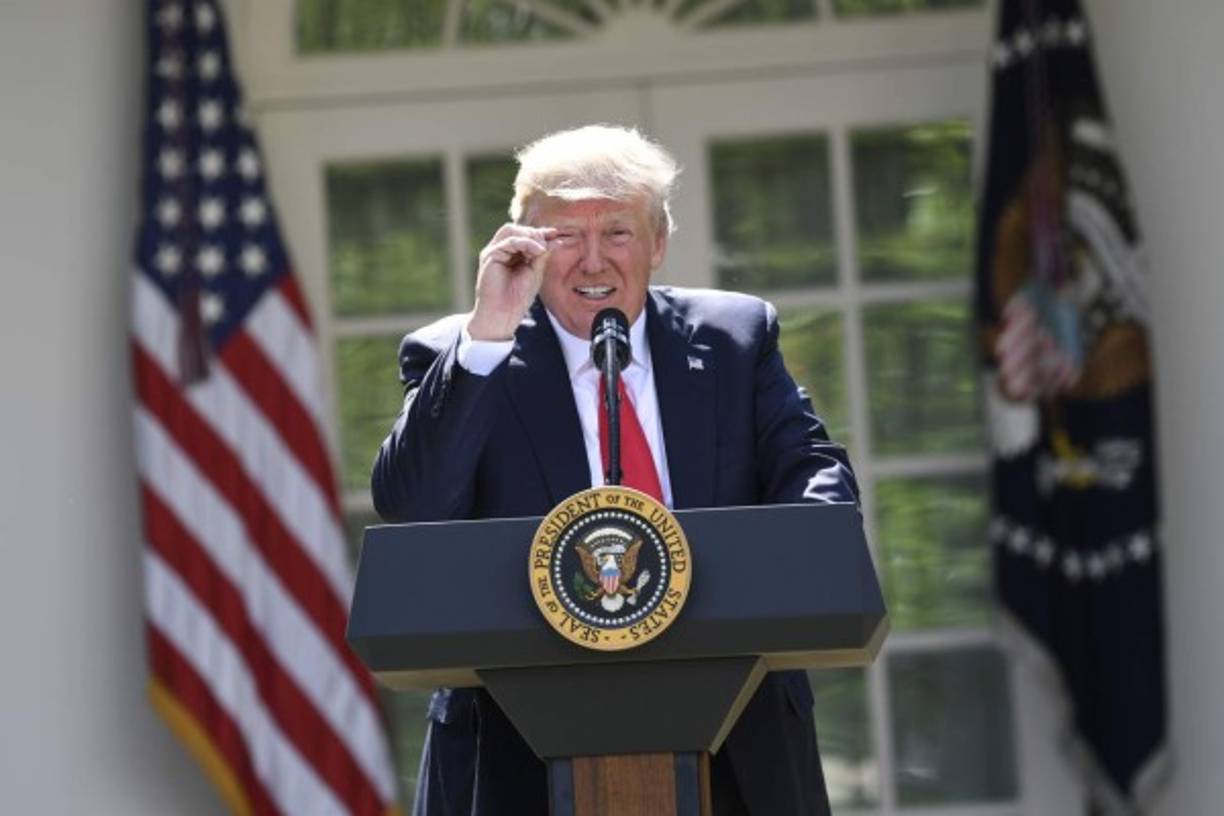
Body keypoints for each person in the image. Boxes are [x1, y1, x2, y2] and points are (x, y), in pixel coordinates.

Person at [372, 124, 859, 816]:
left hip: (737, 743)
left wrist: (800, 554)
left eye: (619, 234)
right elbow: (413, 507)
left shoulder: (735, 338)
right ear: (525, 247)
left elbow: (812, 469)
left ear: (658, 242)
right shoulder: (463, 352)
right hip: (517, 758)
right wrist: (487, 337)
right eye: (564, 235)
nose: (592, 260)